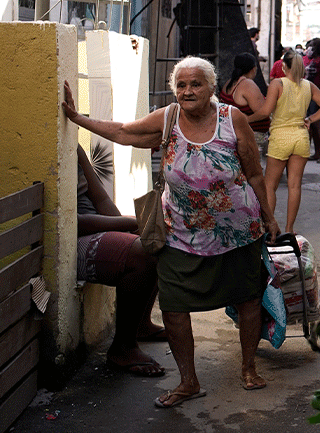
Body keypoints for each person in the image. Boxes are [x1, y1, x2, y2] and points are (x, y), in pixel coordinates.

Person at [62, 57, 280, 407]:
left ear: (212, 87)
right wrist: (77, 119)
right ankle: (188, 382)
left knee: (248, 298)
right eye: (181, 85)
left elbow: (254, 173)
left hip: (237, 231)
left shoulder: (232, 119)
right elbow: (122, 131)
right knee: (175, 306)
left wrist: (269, 217)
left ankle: (249, 368)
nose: (188, 91)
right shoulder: (167, 120)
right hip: (180, 231)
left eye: (195, 84)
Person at [76, 145, 166, 377]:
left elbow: (102, 200)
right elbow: (70, 220)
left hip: (95, 228)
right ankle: (122, 349)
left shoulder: (72, 147)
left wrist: (130, 229)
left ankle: (142, 326)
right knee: (143, 252)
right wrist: (129, 224)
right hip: (73, 239)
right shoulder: (42, 146)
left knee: (155, 238)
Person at [249, 48, 320, 234]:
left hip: (280, 137)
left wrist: (244, 119)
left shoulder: (277, 84)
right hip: (300, 137)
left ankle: (270, 228)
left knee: (270, 185)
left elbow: (265, 111)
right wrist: (310, 119)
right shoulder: (308, 86)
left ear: (284, 66)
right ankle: (290, 228)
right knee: (295, 186)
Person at [219, 53, 271, 151]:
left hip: (236, 133)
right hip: (251, 137)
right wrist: (247, 119)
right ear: (254, 68)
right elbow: (264, 112)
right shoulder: (247, 84)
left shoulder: (230, 82)